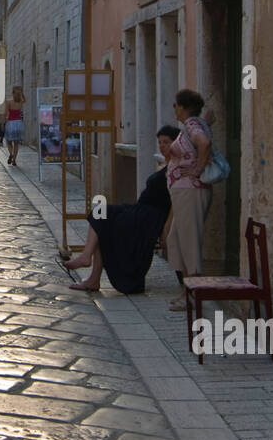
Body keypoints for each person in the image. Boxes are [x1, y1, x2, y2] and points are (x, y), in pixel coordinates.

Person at [63, 124, 177, 294]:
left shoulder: (177, 167)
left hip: (149, 217)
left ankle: (87, 260)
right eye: (160, 142)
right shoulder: (164, 164)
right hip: (140, 210)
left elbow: (175, 202)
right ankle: (92, 276)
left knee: (103, 215)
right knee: (101, 215)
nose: (162, 146)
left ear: (177, 143)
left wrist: (166, 228)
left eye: (166, 142)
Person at [163, 88, 214, 292]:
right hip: (183, 192)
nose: (174, 109)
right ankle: (186, 291)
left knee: (189, 242)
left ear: (183, 107)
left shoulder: (192, 124)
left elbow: (204, 143)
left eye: (175, 105)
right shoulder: (191, 126)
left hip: (190, 191)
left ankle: (193, 295)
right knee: (176, 239)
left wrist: (198, 170)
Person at [3, 85, 25, 166]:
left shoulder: (9, 102)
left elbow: (5, 113)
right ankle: (14, 160)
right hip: (19, 123)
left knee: (9, 141)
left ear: (12, 93)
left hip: (11, 123)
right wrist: (21, 93)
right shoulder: (21, 102)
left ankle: (11, 154)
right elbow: (24, 99)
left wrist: (3, 123)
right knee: (16, 143)